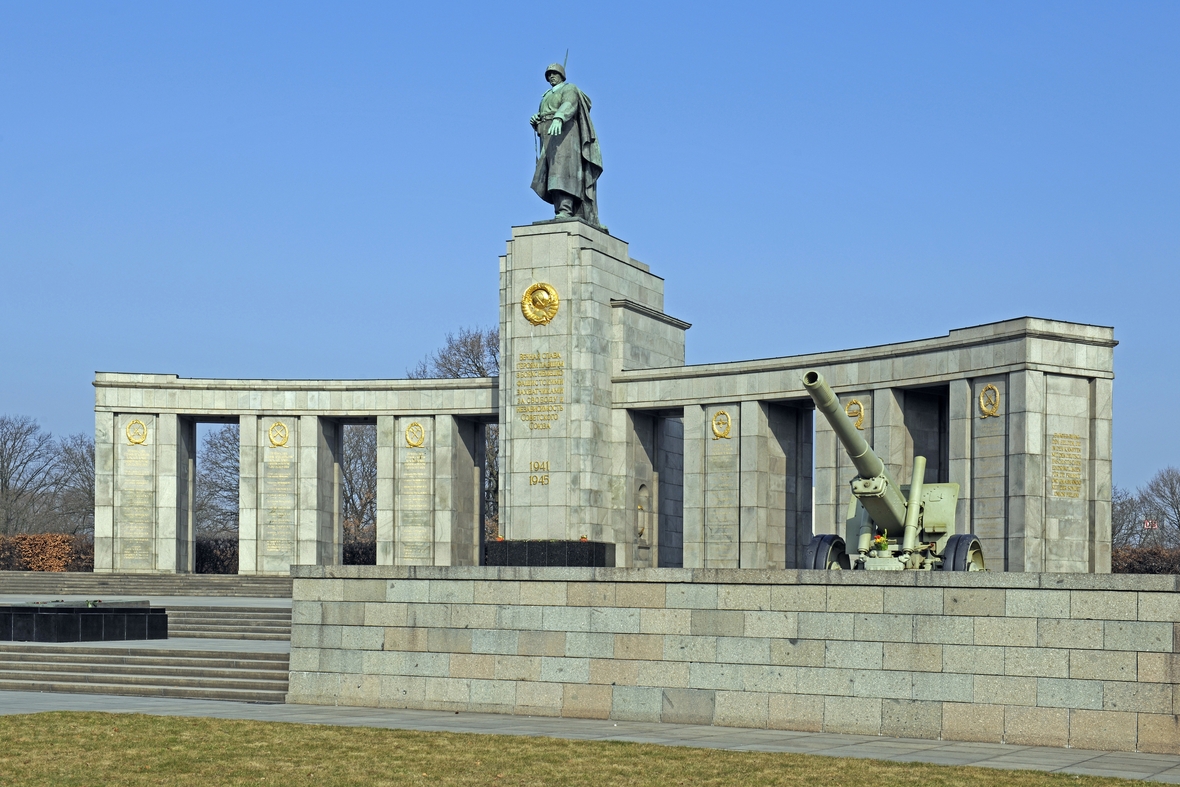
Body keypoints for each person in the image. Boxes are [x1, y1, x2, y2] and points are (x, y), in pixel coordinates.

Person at [529, 63, 603, 225]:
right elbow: (545, 114)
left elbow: (569, 104)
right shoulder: (547, 95)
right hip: (548, 137)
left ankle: (565, 209)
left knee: (562, 171)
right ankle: (560, 209)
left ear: (562, 75)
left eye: (554, 73)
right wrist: (537, 120)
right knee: (551, 173)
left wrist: (559, 117)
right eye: (549, 74)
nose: (551, 76)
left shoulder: (569, 89)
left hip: (565, 135)